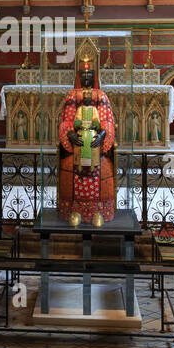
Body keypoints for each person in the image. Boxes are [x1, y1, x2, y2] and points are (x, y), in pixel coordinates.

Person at [56, 55, 117, 226]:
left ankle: (99, 210)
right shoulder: (72, 96)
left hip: (96, 143)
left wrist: (103, 134)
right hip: (76, 143)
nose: (86, 77)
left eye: (89, 74)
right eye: (83, 74)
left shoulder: (101, 95)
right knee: (69, 166)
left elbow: (107, 120)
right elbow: (67, 120)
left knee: (102, 168)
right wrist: (69, 134)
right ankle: (73, 209)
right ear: (78, 76)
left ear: (94, 76)